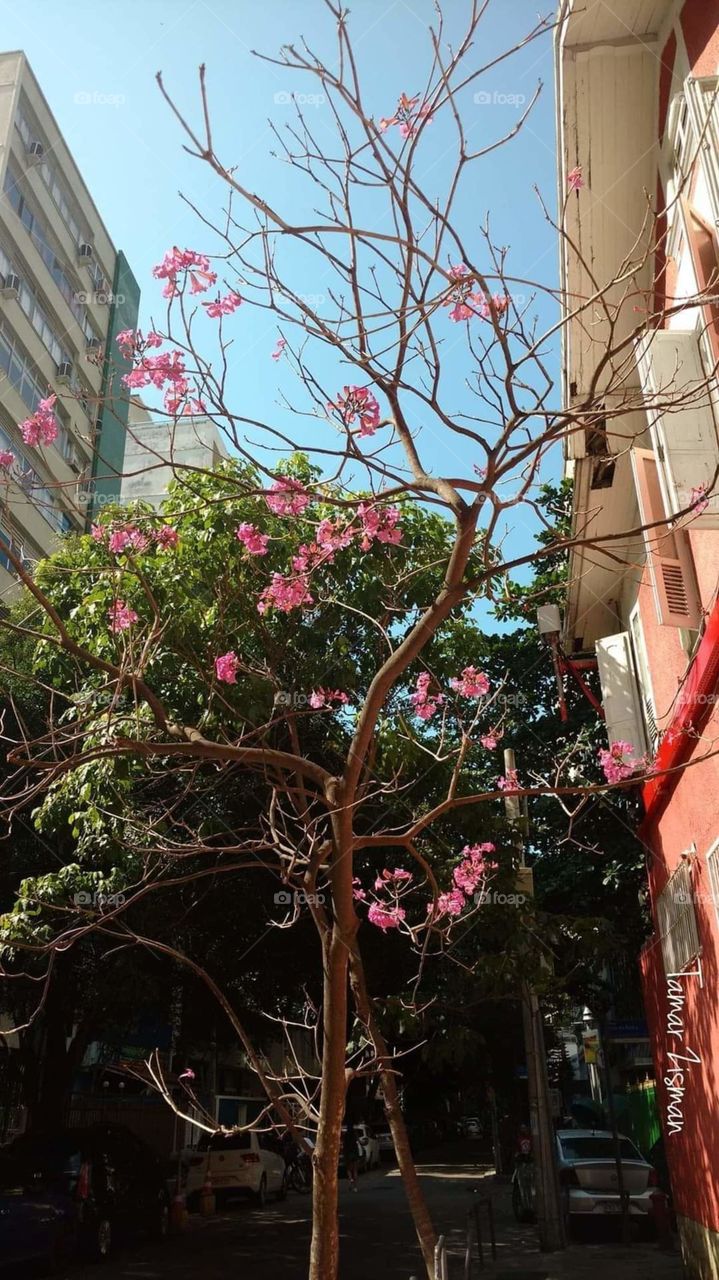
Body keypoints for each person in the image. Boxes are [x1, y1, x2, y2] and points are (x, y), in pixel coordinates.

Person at [343, 1124, 360, 1191]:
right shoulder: (355, 1135)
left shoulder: (345, 1136)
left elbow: (344, 1145)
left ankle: (350, 1180)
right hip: (355, 1153)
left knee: (349, 1169)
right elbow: (360, 1142)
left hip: (347, 1154)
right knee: (355, 1170)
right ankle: (355, 1187)